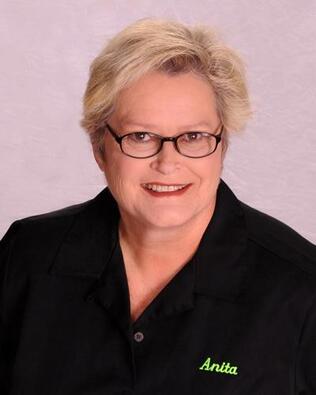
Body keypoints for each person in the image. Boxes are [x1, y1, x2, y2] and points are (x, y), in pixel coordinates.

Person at [0, 17, 315, 395]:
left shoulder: (301, 289)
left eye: (194, 136)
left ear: (223, 145)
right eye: (141, 136)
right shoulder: (26, 257)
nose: (168, 163)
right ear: (100, 148)